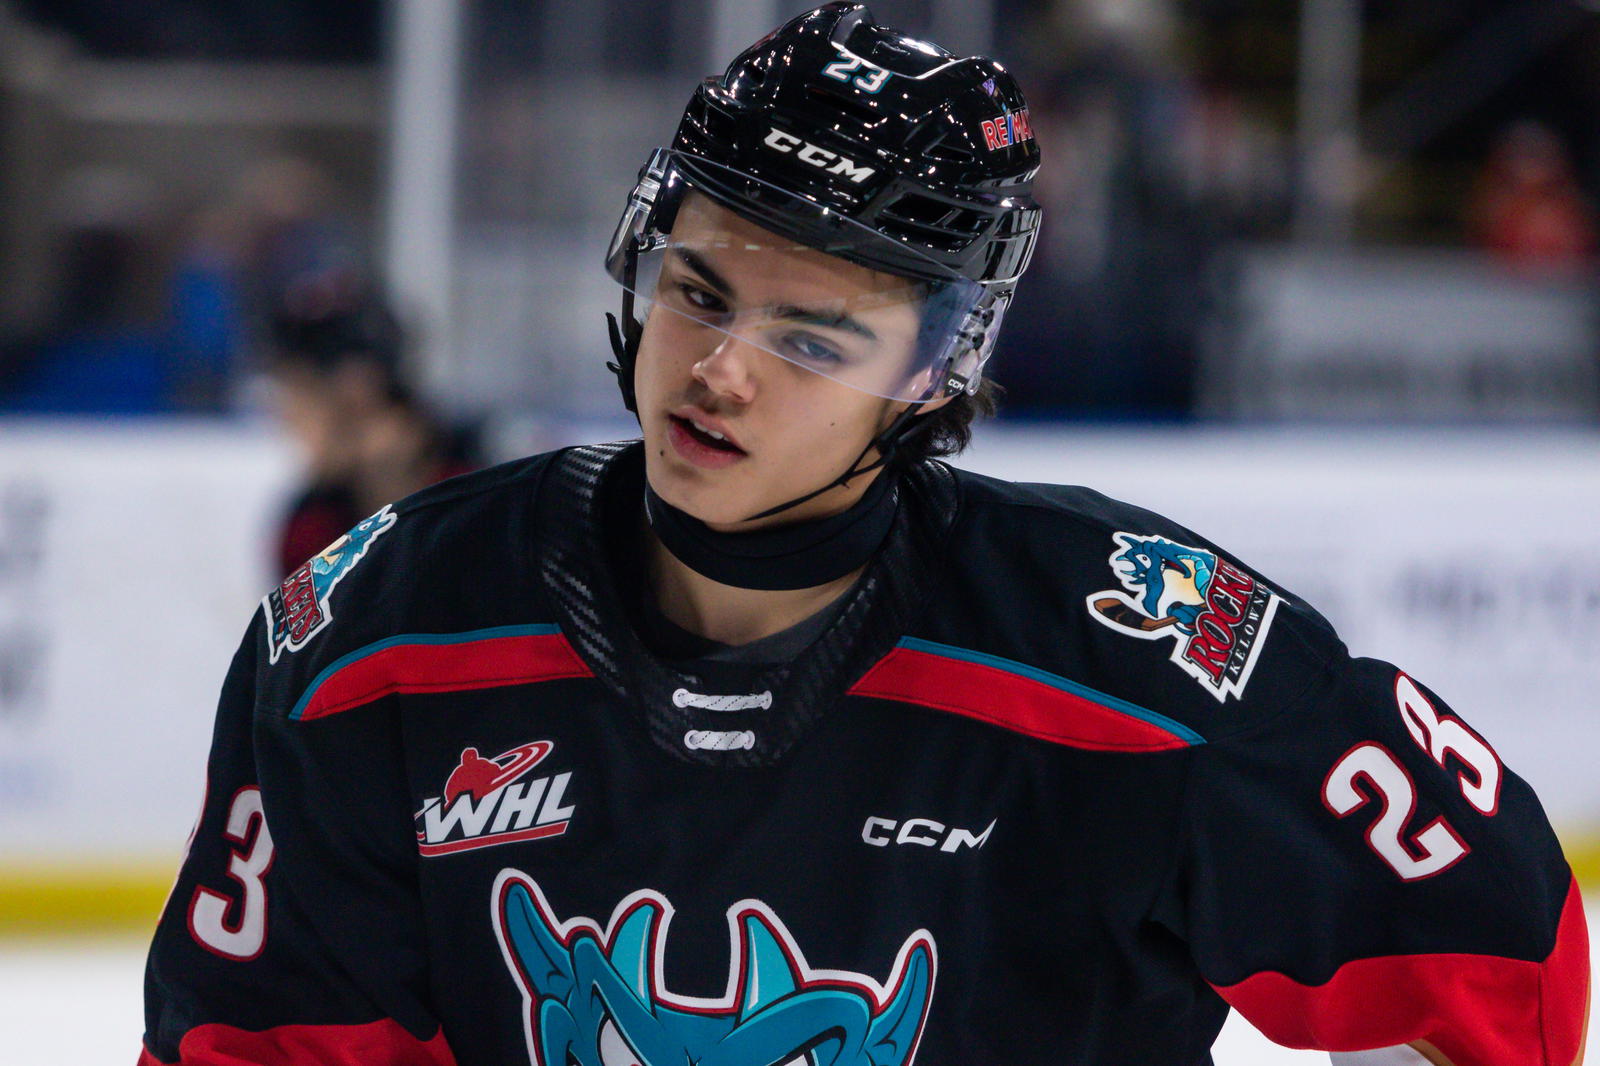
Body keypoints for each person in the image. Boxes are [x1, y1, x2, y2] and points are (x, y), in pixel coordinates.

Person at [139, 6, 1587, 1065]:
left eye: (813, 336)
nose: (720, 371)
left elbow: (1492, 943)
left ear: (937, 368)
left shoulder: (1139, 658)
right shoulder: (373, 637)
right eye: (699, 290)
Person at [261, 268, 477, 578]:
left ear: (358, 388)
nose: (285, 418)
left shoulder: (485, 492)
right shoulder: (311, 527)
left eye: (296, 396)